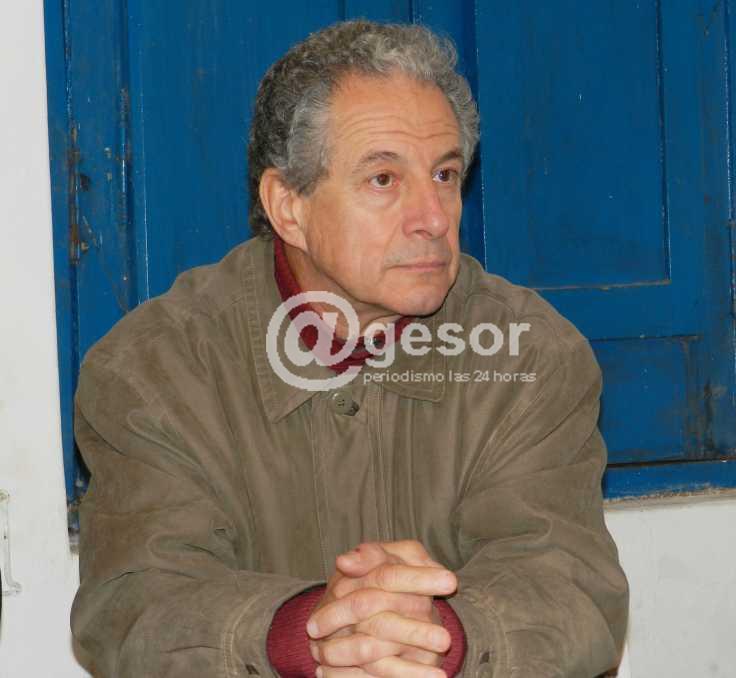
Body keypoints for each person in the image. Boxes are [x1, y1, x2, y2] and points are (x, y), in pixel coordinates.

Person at [71, 20, 629, 678]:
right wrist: (304, 635)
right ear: (289, 206)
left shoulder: (529, 356)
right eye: (383, 179)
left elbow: (568, 587)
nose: (433, 217)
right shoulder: (151, 371)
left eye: (445, 174)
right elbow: (136, 606)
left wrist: (447, 635)